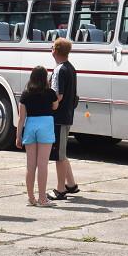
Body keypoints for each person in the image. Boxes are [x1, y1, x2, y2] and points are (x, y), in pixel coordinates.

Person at [16, 66, 58, 207]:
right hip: (45, 125)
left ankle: (31, 197)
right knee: (42, 165)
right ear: (45, 78)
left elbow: (21, 118)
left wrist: (18, 137)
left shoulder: (25, 94)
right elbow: (55, 106)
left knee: (31, 165)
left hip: (30, 126)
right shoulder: (50, 92)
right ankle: (42, 199)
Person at [47, 38, 79, 201]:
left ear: (56, 51)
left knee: (58, 155)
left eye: (52, 47)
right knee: (62, 151)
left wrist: (49, 106)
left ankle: (60, 189)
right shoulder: (71, 68)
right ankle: (71, 184)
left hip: (58, 117)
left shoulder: (59, 70)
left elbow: (57, 95)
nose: (50, 49)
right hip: (67, 115)